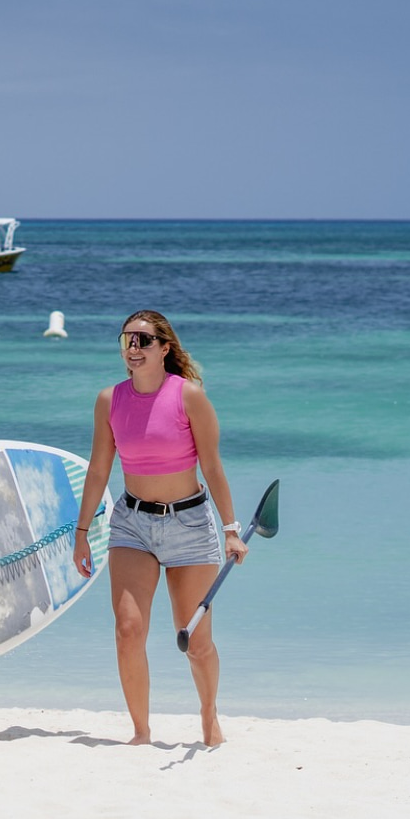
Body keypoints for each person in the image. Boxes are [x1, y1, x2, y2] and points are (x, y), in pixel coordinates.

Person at [72, 310, 247, 747]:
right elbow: (98, 469)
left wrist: (230, 528)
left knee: (195, 641)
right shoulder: (109, 400)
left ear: (164, 348)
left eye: (143, 340)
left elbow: (212, 466)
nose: (133, 348)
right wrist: (80, 531)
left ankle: (209, 716)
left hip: (190, 524)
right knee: (128, 629)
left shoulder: (189, 397)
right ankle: (141, 732)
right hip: (132, 523)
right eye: (127, 340)